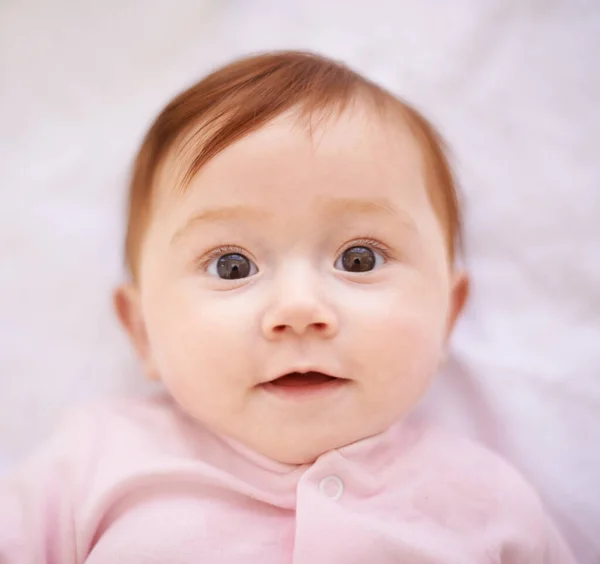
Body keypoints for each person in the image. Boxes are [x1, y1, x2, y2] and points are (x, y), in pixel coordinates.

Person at [0, 51, 575, 563]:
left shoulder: (489, 504)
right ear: (144, 332)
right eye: (232, 266)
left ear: (447, 315)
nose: (299, 308)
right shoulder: (94, 462)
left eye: (359, 259)